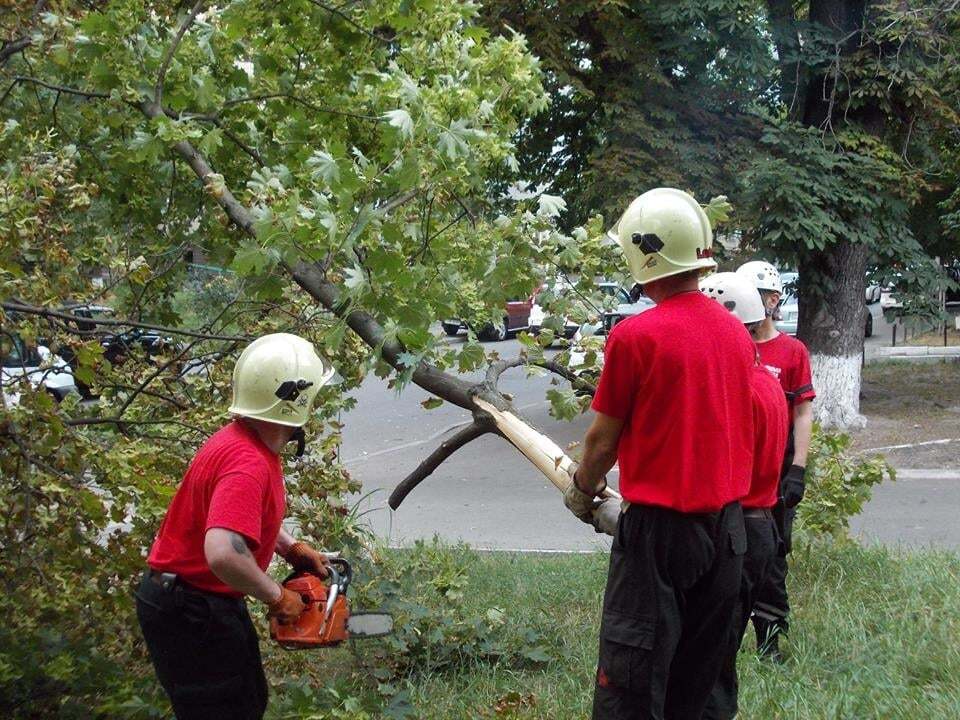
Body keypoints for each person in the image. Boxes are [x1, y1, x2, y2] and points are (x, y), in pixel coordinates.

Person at [563, 188, 754, 720]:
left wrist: (582, 490)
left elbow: (601, 442)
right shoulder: (737, 334)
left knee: (633, 682)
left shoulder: (635, 337)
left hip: (660, 538)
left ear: (642, 252)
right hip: (728, 534)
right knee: (705, 680)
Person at [135, 333, 335, 719]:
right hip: (191, 607)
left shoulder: (243, 441)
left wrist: (290, 547)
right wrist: (277, 596)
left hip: (194, 601)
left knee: (246, 700)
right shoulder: (248, 462)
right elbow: (224, 552)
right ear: (298, 400)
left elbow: (236, 518)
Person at [700, 273, 789, 720]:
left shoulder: (739, 390)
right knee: (722, 647)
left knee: (713, 657)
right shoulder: (767, 383)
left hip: (739, 525)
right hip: (760, 525)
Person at [736, 261, 816, 660]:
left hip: (777, 469)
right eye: (758, 294)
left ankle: (769, 643)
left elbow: (803, 412)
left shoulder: (791, 351)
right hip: (737, 472)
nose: (765, 303)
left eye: (768, 295)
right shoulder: (732, 347)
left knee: (772, 555)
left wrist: (798, 469)